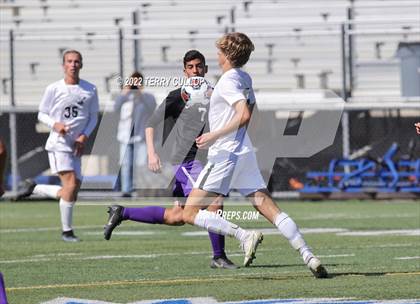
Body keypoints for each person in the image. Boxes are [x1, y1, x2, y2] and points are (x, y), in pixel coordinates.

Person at [177, 32, 328, 277]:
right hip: (243, 151)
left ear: (226, 55)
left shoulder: (227, 81)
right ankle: (308, 255)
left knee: (189, 212)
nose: (217, 55)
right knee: (269, 208)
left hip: (225, 154)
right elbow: (252, 120)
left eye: (219, 51)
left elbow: (244, 115)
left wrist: (213, 135)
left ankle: (243, 235)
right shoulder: (244, 78)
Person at [104, 50, 237, 269]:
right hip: (187, 161)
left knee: (178, 216)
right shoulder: (177, 96)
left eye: (199, 66)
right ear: (185, 70)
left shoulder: (215, 94)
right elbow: (150, 123)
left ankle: (122, 212)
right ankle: (218, 256)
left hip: (209, 160)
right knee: (214, 202)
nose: (195, 70)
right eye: (191, 67)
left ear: (205, 69)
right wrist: (151, 153)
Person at [16, 50, 99, 242]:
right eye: (69, 61)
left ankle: (35, 188)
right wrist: (56, 125)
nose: (73, 65)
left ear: (82, 64)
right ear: (63, 65)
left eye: (76, 61)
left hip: (76, 145)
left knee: (72, 190)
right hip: (59, 143)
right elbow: (42, 114)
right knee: (69, 186)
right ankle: (67, 232)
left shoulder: (90, 89)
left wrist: (84, 136)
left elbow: (93, 116)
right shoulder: (54, 88)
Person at [114, 72, 156, 197]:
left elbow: (152, 109)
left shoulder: (147, 97)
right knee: (126, 163)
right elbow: (115, 108)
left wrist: (140, 94)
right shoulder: (124, 97)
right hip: (125, 135)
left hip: (140, 135)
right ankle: (126, 190)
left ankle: (139, 189)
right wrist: (125, 92)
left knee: (140, 164)